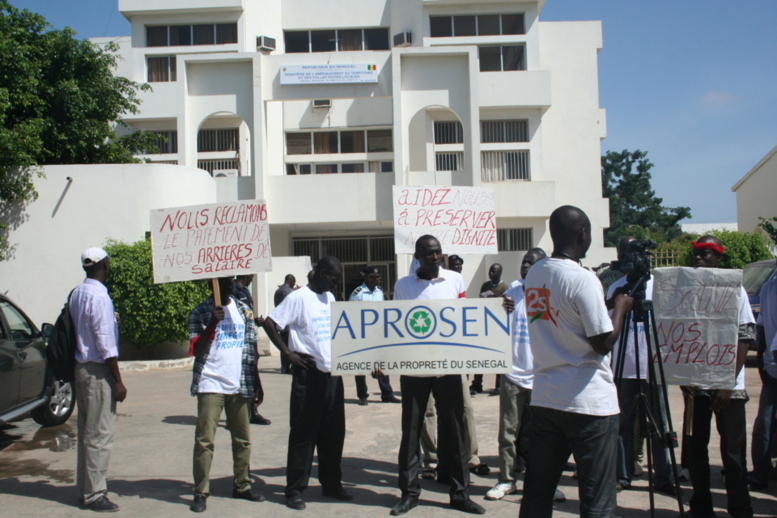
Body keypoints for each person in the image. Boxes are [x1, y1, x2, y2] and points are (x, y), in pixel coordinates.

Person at [519, 206, 633, 518]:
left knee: (537, 496)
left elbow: (559, 315)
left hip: (545, 398)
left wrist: (603, 306)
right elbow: (602, 343)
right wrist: (620, 307)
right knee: (597, 502)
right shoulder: (583, 279)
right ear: (582, 234)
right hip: (588, 403)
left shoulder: (536, 274)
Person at [381, 235, 487, 516]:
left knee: (454, 433)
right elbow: (396, 326)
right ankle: (409, 493)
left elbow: (467, 318)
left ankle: (460, 494)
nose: (435, 257)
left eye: (438, 252)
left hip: (449, 370)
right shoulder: (403, 286)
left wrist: (502, 311)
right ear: (417, 255)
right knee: (411, 433)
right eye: (429, 253)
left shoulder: (454, 280)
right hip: (414, 372)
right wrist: (380, 357)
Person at [263, 257, 352, 511]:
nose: (336, 284)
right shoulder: (297, 298)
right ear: (321, 273)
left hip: (332, 375)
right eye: (334, 279)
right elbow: (271, 323)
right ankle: (294, 490)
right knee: (304, 433)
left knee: (334, 433)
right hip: (309, 376)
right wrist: (288, 354)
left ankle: (332, 484)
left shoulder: (330, 299)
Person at [486, 248, 566, 504]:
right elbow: (490, 321)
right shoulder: (509, 294)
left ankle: (542, 484)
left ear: (542, 267)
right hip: (512, 374)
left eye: (531, 262)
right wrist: (499, 305)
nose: (525, 266)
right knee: (508, 432)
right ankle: (507, 480)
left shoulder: (548, 293)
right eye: (524, 262)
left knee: (542, 436)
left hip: (542, 375)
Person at [682, 236, 754, 518]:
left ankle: (740, 508)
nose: (699, 257)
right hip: (696, 386)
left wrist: (727, 382)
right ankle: (701, 507)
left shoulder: (736, 289)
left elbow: (745, 337)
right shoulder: (687, 291)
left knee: (734, 454)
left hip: (728, 389)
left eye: (707, 253)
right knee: (696, 450)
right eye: (697, 253)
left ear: (719, 258)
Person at [188, 276, 264, 513]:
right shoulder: (199, 312)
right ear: (212, 284)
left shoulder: (243, 310)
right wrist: (212, 323)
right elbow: (196, 350)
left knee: (242, 439)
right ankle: (201, 492)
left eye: (230, 281)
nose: (228, 285)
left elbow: (251, 346)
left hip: (239, 383)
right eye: (222, 282)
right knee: (205, 440)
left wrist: (257, 382)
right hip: (211, 383)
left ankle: (242, 485)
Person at [606, 236, 675, 495]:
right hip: (624, 367)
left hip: (654, 366)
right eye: (622, 250)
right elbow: (605, 321)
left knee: (659, 425)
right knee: (623, 424)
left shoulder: (659, 286)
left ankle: (663, 477)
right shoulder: (617, 288)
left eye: (631, 250)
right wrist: (614, 302)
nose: (626, 256)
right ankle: (623, 475)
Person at [70, 247, 127, 512]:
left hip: (81, 369)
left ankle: (85, 489)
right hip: (97, 370)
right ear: (104, 264)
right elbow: (106, 344)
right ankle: (95, 494)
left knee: (87, 432)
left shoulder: (78, 293)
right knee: (99, 434)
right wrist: (117, 380)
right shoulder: (100, 297)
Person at [348, 266, 400, 405]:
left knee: (381, 363)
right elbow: (351, 313)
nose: (379, 279)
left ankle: (387, 394)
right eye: (376, 277)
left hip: (377, 334)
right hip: (362, 335)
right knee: (360, 366)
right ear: (368, 278)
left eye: (379, 276)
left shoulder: (379, 291)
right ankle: (362, 396)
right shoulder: (358, 293)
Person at [749, 258, 777, 491]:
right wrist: (760, 359)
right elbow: (762, 325)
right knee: (764, 423)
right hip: (772, 366)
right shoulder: (769, 287)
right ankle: (761, 471)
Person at [233, 274, 271, 426]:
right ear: (248, 275)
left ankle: (252, 411)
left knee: (252, 378)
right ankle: (236, 415)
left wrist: (256, 321)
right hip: (239, 342)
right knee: (239, 380)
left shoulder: (246, 291)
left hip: (250, 339)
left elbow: (247, 315)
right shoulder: (233, 290)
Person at [472, 263, 509, 396]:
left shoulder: (505, 287)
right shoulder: (485, 285)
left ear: (500, 273)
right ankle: (477, 383)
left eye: (494, 271)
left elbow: (507, 303)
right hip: (484, 322)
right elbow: (480, 299)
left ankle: (498, 385)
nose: (491, 273)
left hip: (498, 324)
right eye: (490, 271)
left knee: (498, 354)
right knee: (481, 353)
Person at [274, 274, 297, 374]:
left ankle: (284, 367)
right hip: (289, 324)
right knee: (291, 347)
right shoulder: (290, 292)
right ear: (291, 282)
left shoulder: (277, 291)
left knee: (283, 347)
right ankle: (292, 367)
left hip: (281, 323)